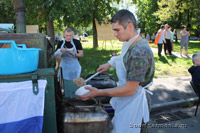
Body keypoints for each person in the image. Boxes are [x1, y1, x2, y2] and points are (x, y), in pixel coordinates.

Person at [79, 9, 155, 133]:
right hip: (128, 99)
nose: (115, 34)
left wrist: (98, 92)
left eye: (117, 30)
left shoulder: (139, 52)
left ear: (129, 26)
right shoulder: (132, 42)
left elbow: (129, 90)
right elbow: (123, 57)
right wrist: (109, 64)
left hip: (135, 102)